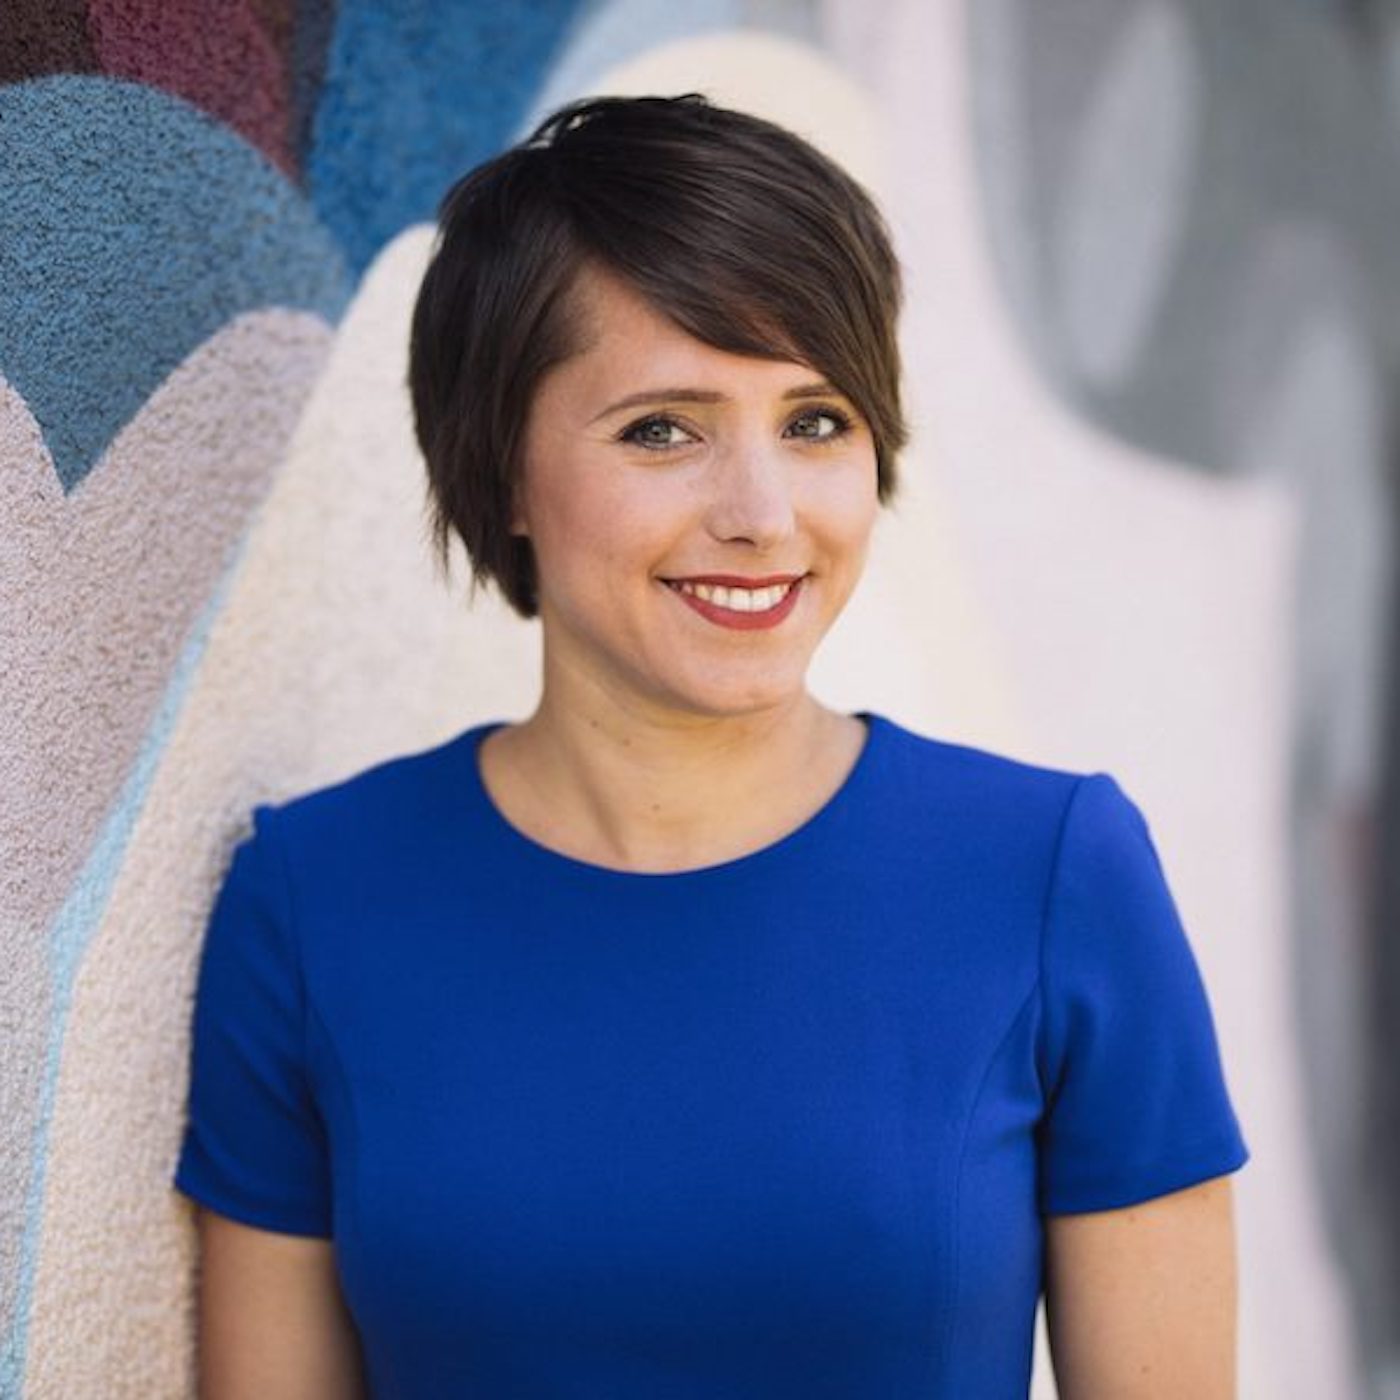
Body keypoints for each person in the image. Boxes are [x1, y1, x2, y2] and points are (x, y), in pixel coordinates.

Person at [172, 92, 1250, 1397]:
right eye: (662, 430)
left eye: (815, 421)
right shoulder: (314, 901)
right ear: (502, 470)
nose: (762, 513)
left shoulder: (1054, 876)